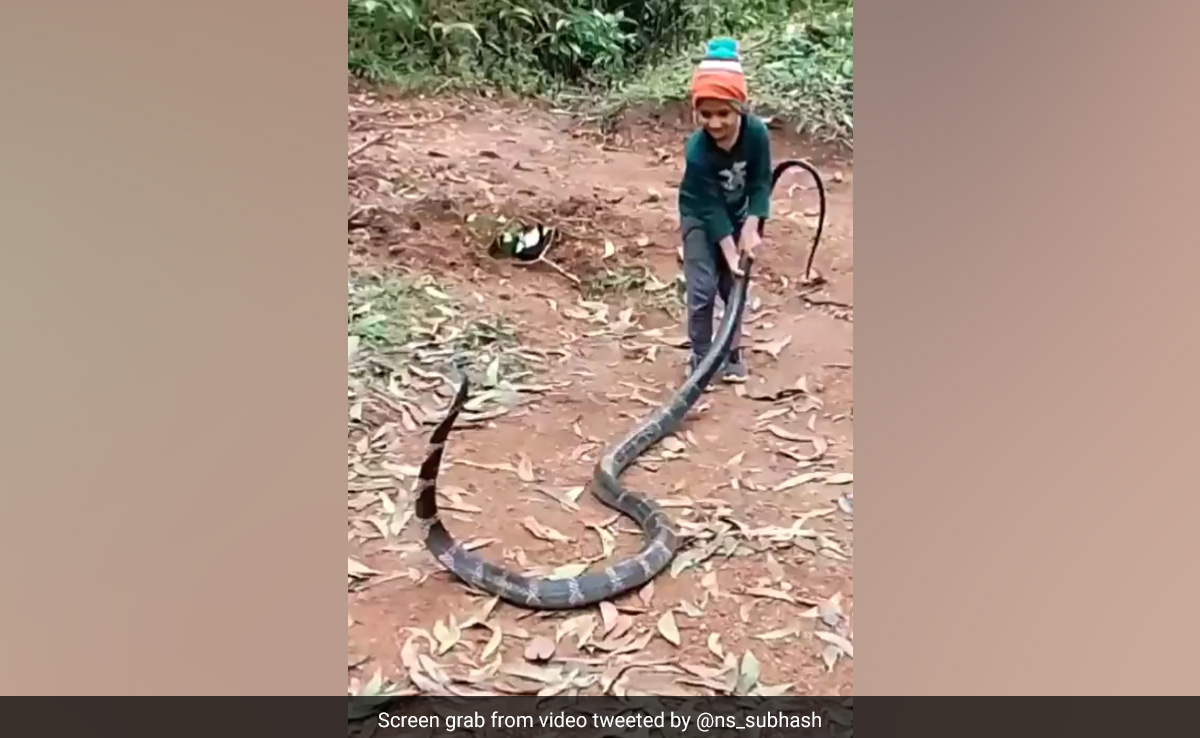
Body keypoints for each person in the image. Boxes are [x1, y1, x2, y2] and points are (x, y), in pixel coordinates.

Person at [677, 37, 772, 383]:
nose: (715, 123)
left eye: (723, 114)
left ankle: (731, 352)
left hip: (737, 212)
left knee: (735, 288)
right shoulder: (697, 150)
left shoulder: (756, 134)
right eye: (706, 114)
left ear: (739, 109)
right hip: (700, 216)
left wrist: (752, 224)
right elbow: (709, 206)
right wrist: (730, 251)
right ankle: (702, 356)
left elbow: (761, 182)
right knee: (702, 289)